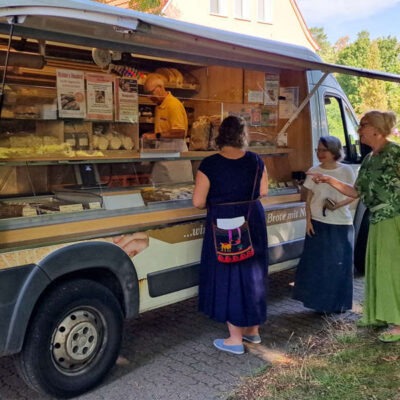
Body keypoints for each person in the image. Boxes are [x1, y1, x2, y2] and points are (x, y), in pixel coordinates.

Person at [308, 110, 400, 343]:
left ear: (377, 129)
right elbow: (356, 191)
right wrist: (329, 180)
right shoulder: (369, 158)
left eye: (363, 125)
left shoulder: (395, 152)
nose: (358, 130)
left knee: (392, 269)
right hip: (377, 217)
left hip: (394, 217)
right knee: (376, 267)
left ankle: (398, 324)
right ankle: (379, 315)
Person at [192, 115, 269, 355]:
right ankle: (252, 332)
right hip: (252, 219)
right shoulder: (256, 160)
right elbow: (263, 191)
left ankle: (234, 340)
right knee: (253, 273)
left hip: (223, 224)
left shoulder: (210, 164)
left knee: (229, 275)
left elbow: (197, 201)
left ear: (220, 135)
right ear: (243, 136)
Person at [292, 136, 355, 313]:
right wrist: (308, 221)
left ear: (334, 151)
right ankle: (319, 305)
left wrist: (338, 205)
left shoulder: (346, 170)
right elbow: (309, 198)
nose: (319, 154)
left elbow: (354, 194)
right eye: (317, 150)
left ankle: (338, 305)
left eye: (323, 150)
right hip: (318, 223)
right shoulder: (314, 170)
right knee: (318, 266)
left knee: (338, 265)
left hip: (340, 223)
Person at [142, 73, 193, 183]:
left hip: (176, 161)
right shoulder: (159, 106)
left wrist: (156, 135)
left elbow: (180, 133)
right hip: (164, 157)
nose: (149, 97)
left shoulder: (173, 104)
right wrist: (150, 135)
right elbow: (166, 130)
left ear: (160, 88)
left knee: (177, 192)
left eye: (151, 92)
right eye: (147, 94)